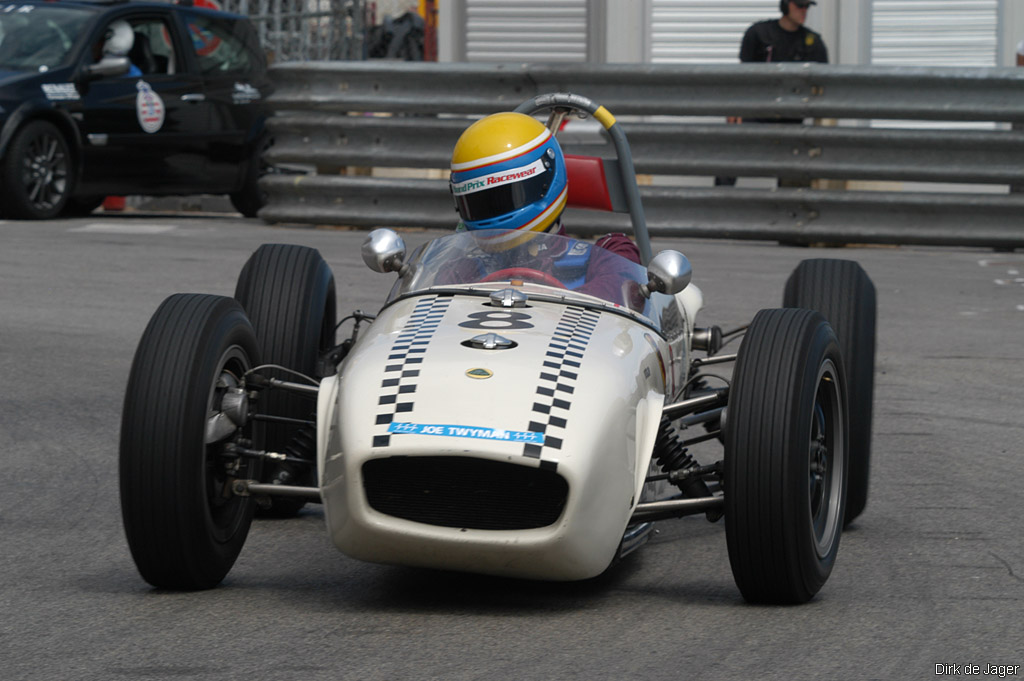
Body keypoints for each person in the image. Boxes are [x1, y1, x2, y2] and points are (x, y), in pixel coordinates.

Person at [445, 111, 644, 303]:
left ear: (543, 184)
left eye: (503, 197)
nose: (491, 210)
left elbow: (619, 305)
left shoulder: (611, 253)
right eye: (478, 203)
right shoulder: (466, 266)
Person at [716, 0, 828, 186]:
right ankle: (719, 203)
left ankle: (790, 209)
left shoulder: (813, 43)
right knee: (731, 145)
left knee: (797, 166)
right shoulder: (759, 33)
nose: (804, 11)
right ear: (786, 5)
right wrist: (735, 107)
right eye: (799, 6)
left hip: (792, 117)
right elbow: (742, 75)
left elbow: (823, 85)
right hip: (758, 111)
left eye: (807, 7)